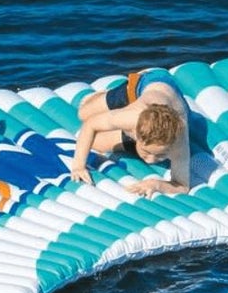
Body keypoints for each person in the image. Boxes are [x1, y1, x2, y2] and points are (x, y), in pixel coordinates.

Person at [68, 66, 192, 196]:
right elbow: (90, 124)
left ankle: (132, 141)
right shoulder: (131, 117)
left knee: (96, 144)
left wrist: (155, 184)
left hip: (170, 97)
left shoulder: (178, 137)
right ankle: (107, 95)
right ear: (136, 133)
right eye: (146, 152)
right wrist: (78, 166)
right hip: (145, 84)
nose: (151, 160)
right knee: (83, 113)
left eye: (162, 154)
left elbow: (183, 186)